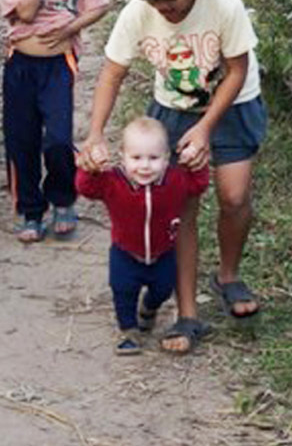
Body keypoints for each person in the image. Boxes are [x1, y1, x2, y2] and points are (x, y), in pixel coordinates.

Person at [80, 0, 266, 354]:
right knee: (178, 206)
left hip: (233, 105)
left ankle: (229, 275)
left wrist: (205, 128)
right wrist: (93, 134)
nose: (166, 9)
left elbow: (236, 71)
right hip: (174, 108)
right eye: (156, 2)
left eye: (174, 0)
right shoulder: (138, 14)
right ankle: (188, 314)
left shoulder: (224, 4)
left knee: (234, 197)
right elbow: (112, 71)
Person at [0, 0, 110, 242]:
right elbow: (27, 14)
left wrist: (70, 27)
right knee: (22, 139)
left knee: (58, 138)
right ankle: (30, 211)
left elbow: (101, 5)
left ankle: (63, 199)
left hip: (59, 65)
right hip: (20, 65)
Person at [76, 117, 208, 355]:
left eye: (154, 158)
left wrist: (197, 164)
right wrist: (90, 170)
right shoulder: (113, 182)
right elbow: (86, 188)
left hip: (163, 253)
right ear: (123, 157)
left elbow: (198, 185)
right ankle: (129, 332)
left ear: (167, 158)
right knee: (123, 292)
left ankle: (149, 307)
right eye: (136, 158)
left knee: (163, 289)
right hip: (125, 253)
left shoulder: (175, 180)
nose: (145, 166)